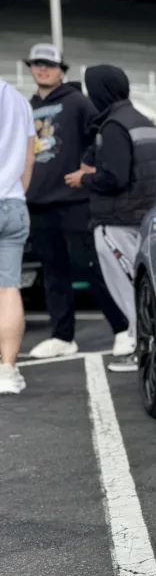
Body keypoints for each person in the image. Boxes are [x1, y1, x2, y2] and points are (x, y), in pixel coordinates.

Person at [22, 43, 131, 360]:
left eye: (50, 64)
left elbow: (103, 133)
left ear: (62, 70)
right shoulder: (26, 106)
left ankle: (123, 328)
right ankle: (62, 335)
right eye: (37, 64)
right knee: (53, 272)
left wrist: (88, 164)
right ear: (31, 68)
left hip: (74, 199)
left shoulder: (77, 102)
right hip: (39, 201)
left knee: (92, 266)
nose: (43, 69)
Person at [63, 65, 156, 369]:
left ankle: (143, 352)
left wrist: (82, 180)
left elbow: (114, 178)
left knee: (129, 292)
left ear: (100, 90)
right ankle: (146, 350)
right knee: (143, 289)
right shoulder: (143, 121)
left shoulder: (113, 125)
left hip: (117, 221)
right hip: (142, 216)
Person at [0, 79, 36, 395]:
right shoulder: (18, 100)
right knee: (8, 289)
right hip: (12, 201)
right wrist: (17, 192)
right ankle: (8, 371)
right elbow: (28, 158)